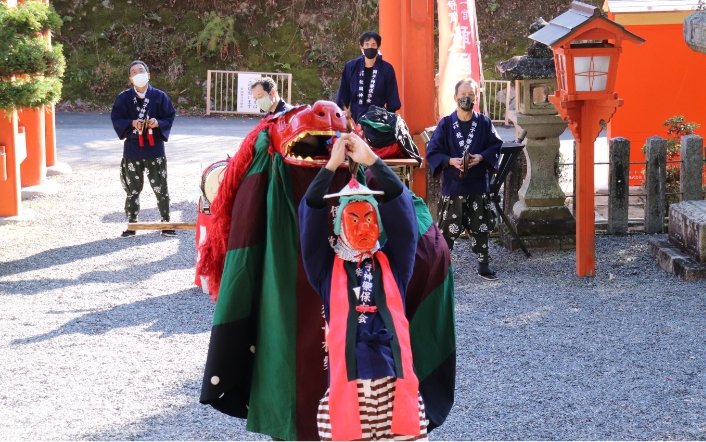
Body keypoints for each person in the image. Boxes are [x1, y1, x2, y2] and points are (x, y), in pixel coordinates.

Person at [299, 133, 428, 441]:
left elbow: (403, 211)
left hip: (395, 384)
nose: (363, 226)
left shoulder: (394, 263)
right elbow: (311, 212)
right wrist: (331, 166)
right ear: (339, 224)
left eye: (370, 217)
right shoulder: (326, 270)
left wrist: (371, 160)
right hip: (348, 387)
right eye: (353, 218)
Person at [425, 78, 503, 281]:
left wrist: (481, 157)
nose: (466, 98)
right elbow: (433, 150)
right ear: (455, 97)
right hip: (453, 184)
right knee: (448, 228)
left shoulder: (484, 122)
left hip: (478, 183)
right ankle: (442, 267)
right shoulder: (446, 124)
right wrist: (450, 161)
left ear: (476, 98)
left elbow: (495, 145)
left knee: (481, 226)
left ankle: (483, 265)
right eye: (463, 95)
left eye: (470, 95)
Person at [111, 60, 176, 238]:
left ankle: (166, 222)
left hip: (155, 148)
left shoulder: (160, 96)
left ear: (148, 75)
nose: (138, 74)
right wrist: (131, 123)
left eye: (141, 71)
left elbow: (169, 116)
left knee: (161, 187)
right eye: (134, 72)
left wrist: (158, 123)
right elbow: (116, 118)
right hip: (132, 148)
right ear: (130, 78)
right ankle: (132, 224)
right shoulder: (124, 98)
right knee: (132, 189)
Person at [336, 31, 401, 123]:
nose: (370, 47)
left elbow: (392, 95)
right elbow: (343, 92)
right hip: (355, 116)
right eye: (366, 44)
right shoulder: (351, 67)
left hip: (378, 118)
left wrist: (390, 119)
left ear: (378, 47)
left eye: (373, 45)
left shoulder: (387, 68)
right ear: (361, 47)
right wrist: (344, 112)